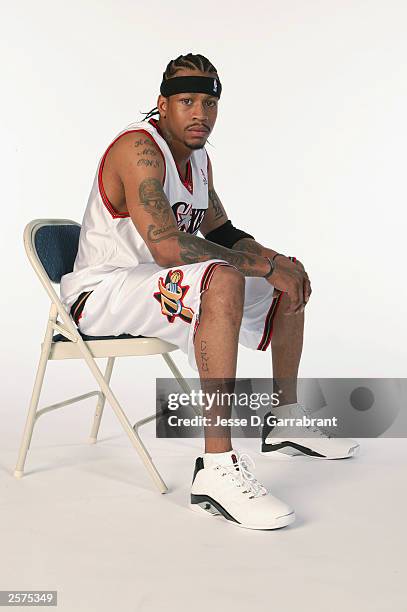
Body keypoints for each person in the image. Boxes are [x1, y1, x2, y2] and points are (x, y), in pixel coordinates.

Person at [60, 53, 359, 531]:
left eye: (209, 102)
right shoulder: (139, 149)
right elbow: (164, 245)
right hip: (102, 293)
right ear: (162, 104)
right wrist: (261, 264)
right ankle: (217, 469)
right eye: (187, 101)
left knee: (286, 278)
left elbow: (222, 232)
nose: (200, 113)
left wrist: (279, 264)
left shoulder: (198, 161)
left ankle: (285, 418)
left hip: (151, 285)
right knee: (224, 277)